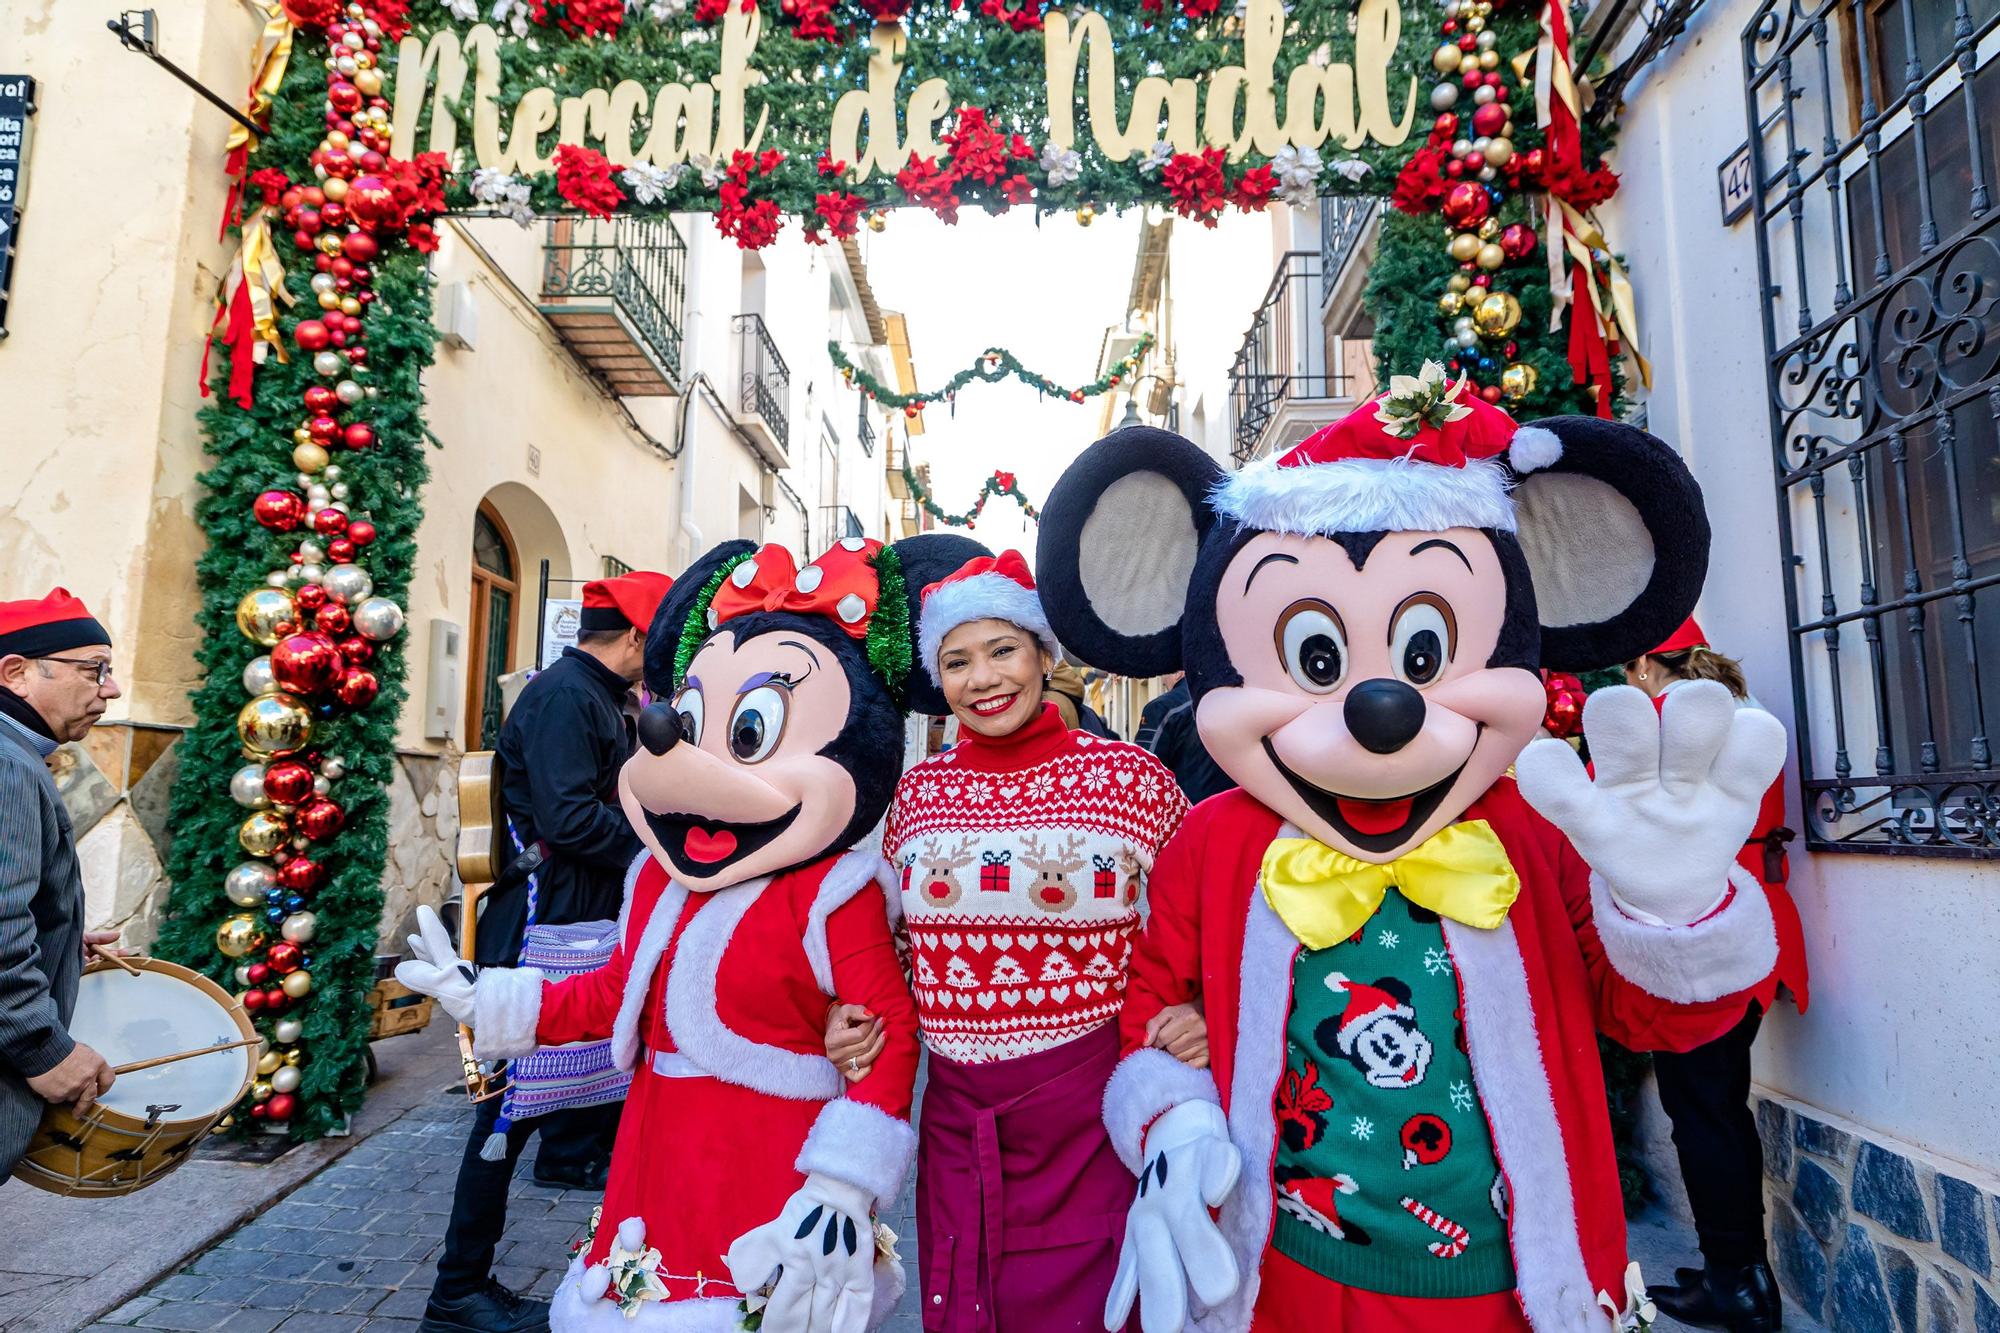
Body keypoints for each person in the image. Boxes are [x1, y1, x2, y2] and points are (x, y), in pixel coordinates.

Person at [1030, 375, 1787, 1332]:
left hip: (1510, 1276)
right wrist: (1175, 1107)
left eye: (1423, 653)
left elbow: (1643, 1018)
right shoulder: (1215, 841)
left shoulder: (1532, 829)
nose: (1379, 705)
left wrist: (1671, 911)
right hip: (1292, 1273)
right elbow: (1152, 1006)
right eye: (1316, 658)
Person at [401, 533, 981, 1333]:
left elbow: (888, 1032)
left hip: (771, 1159)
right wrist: (492, 996)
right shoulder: (657, 882)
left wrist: (845, 1184)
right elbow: (613, 994)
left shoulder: (834, 891)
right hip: (659, 1151)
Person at [836, 548, 1204, 1332]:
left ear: (1045, 655)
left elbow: (1201, 921)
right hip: (960, 1115)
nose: (984, 678)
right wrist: (849, 1016)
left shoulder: (1129, 780)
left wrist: (1204, 1010)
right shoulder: (919, 794)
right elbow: (890, 948)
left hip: (1096, 1110)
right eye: (957, 660)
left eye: (1002, 649)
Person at [421, 570, 670, 1333]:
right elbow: (567, 820)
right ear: (633, 637)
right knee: (503, 1110)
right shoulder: (569, 696)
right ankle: (457, 1290)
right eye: (656, 643)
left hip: (580, 915)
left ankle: (571, 1159)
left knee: (602, 1081)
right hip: (544, 922)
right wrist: (668, 851)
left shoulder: (600, 694)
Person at [1628, 619, 1806, 1333]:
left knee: (1701, 1109)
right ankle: (1742, 1273)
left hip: (1705, 927)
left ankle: (1736, 1283)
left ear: (1645, 661)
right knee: (1719, 1104)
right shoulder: (1745, 708)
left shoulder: (1675, 718)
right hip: (1757, 915)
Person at [0, 589, 127, 1178]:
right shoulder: (5, 762)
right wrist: (42, 1048)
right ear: (17, 673)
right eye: (93, 669)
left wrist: (62, 942)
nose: (111, 688)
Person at [1142, 674, 1237, 806]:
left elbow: (1143, 773)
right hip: (1233, 811)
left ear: (1177, 673)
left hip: (1186, 816)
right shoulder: (1236, 701)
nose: (1165, 682)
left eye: (1165, 677)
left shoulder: (1162, 708)